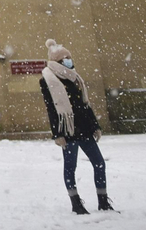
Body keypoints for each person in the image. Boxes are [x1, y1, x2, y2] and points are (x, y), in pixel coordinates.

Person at [40, 40, 113, 214]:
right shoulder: (48, 80)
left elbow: (85, 105)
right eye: (64, 58)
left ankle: (103, 201)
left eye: (69, 57)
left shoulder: (74, 77)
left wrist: (95, 125)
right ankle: (76, 204)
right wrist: (58, 133)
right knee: (70, 167)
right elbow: (51, 108)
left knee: (99, 164)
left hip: (85, 128)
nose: (68, 60)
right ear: (56, 61)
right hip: (68, 130)